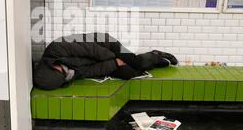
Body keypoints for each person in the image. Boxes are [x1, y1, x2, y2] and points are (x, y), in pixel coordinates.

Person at [33, 33, 178, 90]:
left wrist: (115, 58)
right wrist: (115, 64)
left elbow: (90, 49)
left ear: (51, 66)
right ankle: (154, 61)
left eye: (61, 72)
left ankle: (155, 54)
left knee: (136, 62)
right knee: (129, 72)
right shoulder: (67, 74)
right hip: (106, 58)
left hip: (105, 45)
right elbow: (91, 71)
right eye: (63, 76)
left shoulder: (55, 48)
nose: (65, 72)